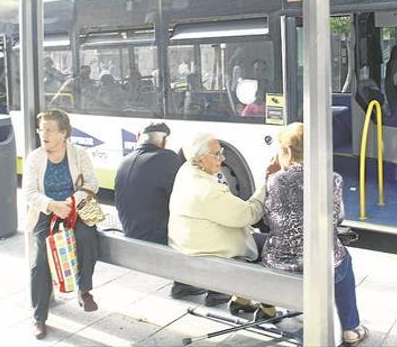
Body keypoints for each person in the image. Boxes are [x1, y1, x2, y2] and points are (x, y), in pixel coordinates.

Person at [262, 122, 369, 346]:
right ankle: (351, 328)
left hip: (280, 263)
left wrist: (270, 177)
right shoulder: (332, 178)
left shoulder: (275, 180)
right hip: (322, 266)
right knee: (342, 259)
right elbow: (337, 218)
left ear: (288, 152)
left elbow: (267, 219)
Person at [24, 109, 100, 339]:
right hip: (46, 211)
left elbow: (92, 184)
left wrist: (71, 201)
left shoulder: (79, 154)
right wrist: (52, 205)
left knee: (87, 237)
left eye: (48, 130)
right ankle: (39, 317)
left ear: (63, 133)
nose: (43, 134)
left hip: (75, 206)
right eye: (41, 129)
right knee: (40, 261)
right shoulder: (35, 158)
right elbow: (29, 193)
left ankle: (84, 289)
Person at [168, 133, 267, 307]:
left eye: (221, 152)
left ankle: (228, 294)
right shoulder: (207, 190)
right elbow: (249, 215)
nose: (223, 158)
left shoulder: (185, 171)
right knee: (273, 245)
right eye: (217, 154)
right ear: (199, 159)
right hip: (207, 254)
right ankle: (243, 298)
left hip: (186, 245)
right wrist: (266, 185)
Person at [114, 122, 203, 299]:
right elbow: (184, 198)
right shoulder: (167, 158)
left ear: (140, 137)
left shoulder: (125, 160)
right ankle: (187, 285)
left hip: (130, 232)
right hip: (155, 237)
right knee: (204, 227)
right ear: (163, 141)